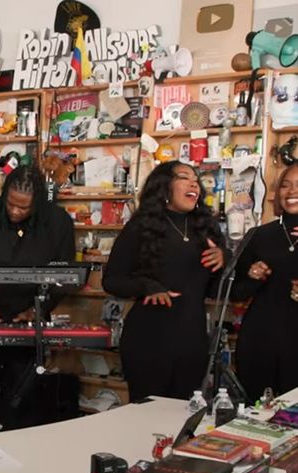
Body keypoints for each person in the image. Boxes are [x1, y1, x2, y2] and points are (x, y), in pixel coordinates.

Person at [0, 164, 76, 434]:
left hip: (30, 324)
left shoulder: (58, 223)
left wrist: (39, 309)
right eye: (11, 204)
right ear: (4, 193)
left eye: (24, 208)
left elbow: (64, 276)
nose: (15, 211)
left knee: (25, 404)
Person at [103, 161, 225, 401]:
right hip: (149, 338)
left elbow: (216, 287)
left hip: (193, 338)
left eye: (195, 179)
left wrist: (224, 257)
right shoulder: (141, 226)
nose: (193, 183)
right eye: (183, 177)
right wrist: (148, 286)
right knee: (147, 420)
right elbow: (112, 281)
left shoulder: (206, 229)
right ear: (164, 186)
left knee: (183, 417)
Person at [231, 164, 298, 402]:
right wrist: (251, 277)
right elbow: (236, 294)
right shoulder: (259, 235)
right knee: (255, 413)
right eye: (286, 185)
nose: (292, 191)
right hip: (260, 339)